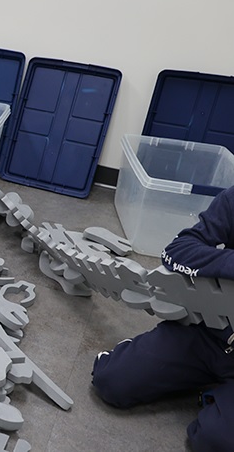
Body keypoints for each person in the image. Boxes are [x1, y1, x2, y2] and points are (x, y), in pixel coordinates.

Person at [92, 186, 233, 452]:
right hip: (211, 333)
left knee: (213, 440)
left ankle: (217, 402)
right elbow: (177, 251)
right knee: (112, 381)